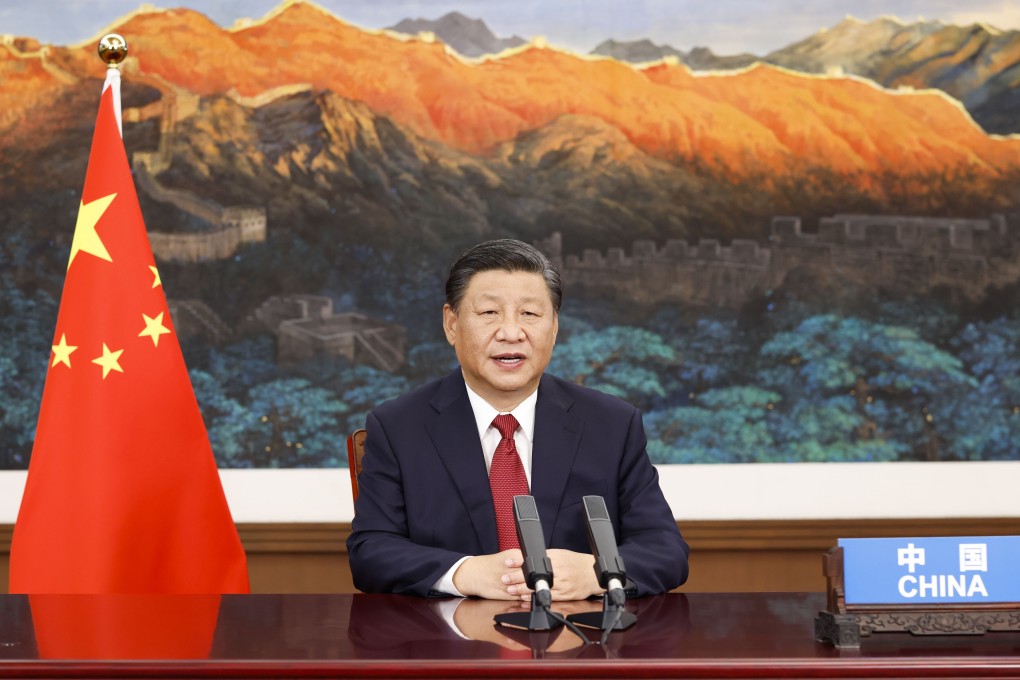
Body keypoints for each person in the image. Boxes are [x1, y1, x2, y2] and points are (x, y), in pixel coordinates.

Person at [347, 239, 689, 600]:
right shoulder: (399, 427)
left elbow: (666, 550)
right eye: (489, 313)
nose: (511, 332)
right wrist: (464, 572)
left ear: (554, 326)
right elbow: (371, 552)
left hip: (579, 646)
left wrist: (595, 574)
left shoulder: (612, 425)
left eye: (529, 314)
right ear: (451, 324)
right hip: (450, 645)